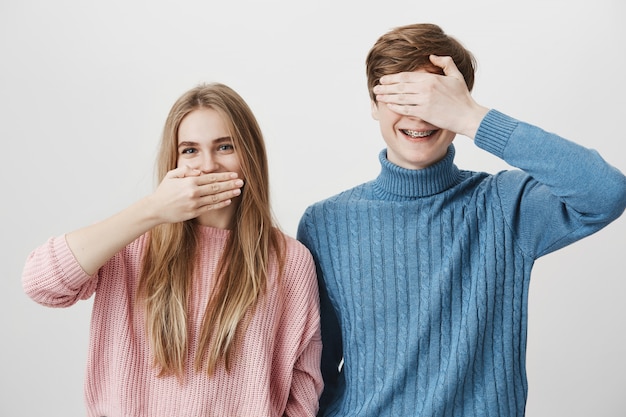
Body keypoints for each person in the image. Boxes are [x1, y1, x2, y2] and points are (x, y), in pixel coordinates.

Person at [297, 23, 626, 417]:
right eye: (402, 96)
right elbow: (317, 371)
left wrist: (474, 118)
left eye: (434, 99)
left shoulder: (503, 206)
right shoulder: (325, 222)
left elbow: (606, 192)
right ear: (373, 103)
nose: (419, 115)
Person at [22, 83, 323, 417]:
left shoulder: (289, 261)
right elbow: (40, 284)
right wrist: (152, 210)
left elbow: (302, 390)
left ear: (249, 155)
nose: (208, 166)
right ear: (173, 160)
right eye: (190, 151)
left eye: (224, 147)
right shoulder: (131, 243)